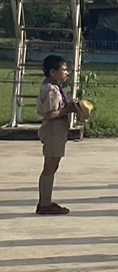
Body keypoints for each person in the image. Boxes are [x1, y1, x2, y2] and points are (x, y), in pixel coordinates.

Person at [34, 54, 79, 216]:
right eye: (63, 69)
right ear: (53, 72)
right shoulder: (51, 89)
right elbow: (51, 113)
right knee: (50, 167)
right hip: (53, 130)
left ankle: (46, 200)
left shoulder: (55, 87)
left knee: (53, 166)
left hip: (57, 130)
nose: (67, 72)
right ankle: (44, 204)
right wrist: (69, 109)